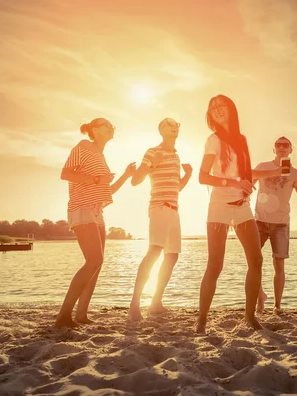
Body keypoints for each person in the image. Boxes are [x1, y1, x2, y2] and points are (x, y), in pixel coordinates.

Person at [196, 94, 282, 334]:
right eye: (213, 107)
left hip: (242, 207)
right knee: (215, 265)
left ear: (231, 109)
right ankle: (201, 320)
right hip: (219, 207)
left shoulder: (241, 140)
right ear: (210, 115)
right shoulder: (213, 140)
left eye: (221, 105)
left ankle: (250, 316)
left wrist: (274, 172)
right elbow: (203, 177)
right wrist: (234, 182)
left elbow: (246, 175)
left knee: (256, 260)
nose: (217, 109)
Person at [55, 117, 136, 328]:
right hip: (81, 207)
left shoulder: (101, 156)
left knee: (97, 264)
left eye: (112, 125)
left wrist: (126, 175)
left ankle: (81, 314)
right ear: (94, 130)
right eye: (106, 125)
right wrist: (95, 180)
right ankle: (63, 316)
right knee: (93, 260)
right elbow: (65, 173)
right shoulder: (83, 146)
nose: (111, 127)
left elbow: (106, 191)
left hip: (97, 212)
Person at [128, 118, 193, 321]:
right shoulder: (153, 152)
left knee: (172, 255)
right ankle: (134, 305)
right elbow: (135, 181)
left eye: (176, 125)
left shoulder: (175, 155)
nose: (174, 127)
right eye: (168, 125)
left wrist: (188, 174)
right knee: (154, 251)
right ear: (160, 130)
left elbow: (176, 188)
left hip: (174, 209)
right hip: (159, 207)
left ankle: (156, 303)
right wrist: (149, 166)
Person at [254, 136, 297, 315]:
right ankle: (260, 296)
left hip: (281, 223)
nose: (282, 147)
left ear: (291, 150)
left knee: (279, 265)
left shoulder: (295, 173)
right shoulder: (262, 166)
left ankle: (277, 305)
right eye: (279, 144)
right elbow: (249, 181)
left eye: (286, 145)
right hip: (259, 221)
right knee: (254, 261)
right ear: (274, 149)